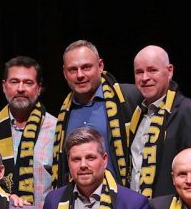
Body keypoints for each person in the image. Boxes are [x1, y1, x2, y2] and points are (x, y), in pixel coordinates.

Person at [128, 45, 191, 198]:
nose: (145, 78)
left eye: (152, 70)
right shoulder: (135, 115)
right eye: (139, 72)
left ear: (169, 71)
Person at [52, 40, 142, 184]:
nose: (80, 75)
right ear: (64, 72)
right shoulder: (64, 113)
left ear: (100, 66)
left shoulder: (128, 98)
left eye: (86, 67)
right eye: (73, 70)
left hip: (122, 199)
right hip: (77, 202)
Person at [0, 56, 59, 209]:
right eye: (14, 82)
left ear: (39, 87)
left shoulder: (56, 128)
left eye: (28, 82)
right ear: (4, 86)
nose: (21, 88)